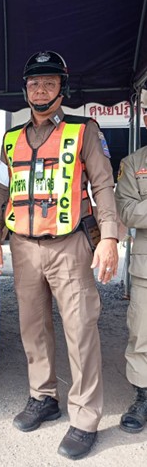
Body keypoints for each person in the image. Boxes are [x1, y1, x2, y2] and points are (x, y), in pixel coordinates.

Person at [0, 51, 119, 460]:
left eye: (49, 82)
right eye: (34, 83)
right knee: (32, 327)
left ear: (63, 88)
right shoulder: (11, 138)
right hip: (24, 246)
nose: (40, 90)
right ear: (25, 89)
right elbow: (3, 191)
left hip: (70, 244)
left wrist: (109, 237)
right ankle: (43, 396)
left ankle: (85, 417)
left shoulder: (84, 130)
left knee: (80, 329)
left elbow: (103, 186)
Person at [114, 88, 147, 434]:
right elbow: (126, 210)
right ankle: (143, 396)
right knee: (142, 334)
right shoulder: (134, 163)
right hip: (146, 268)